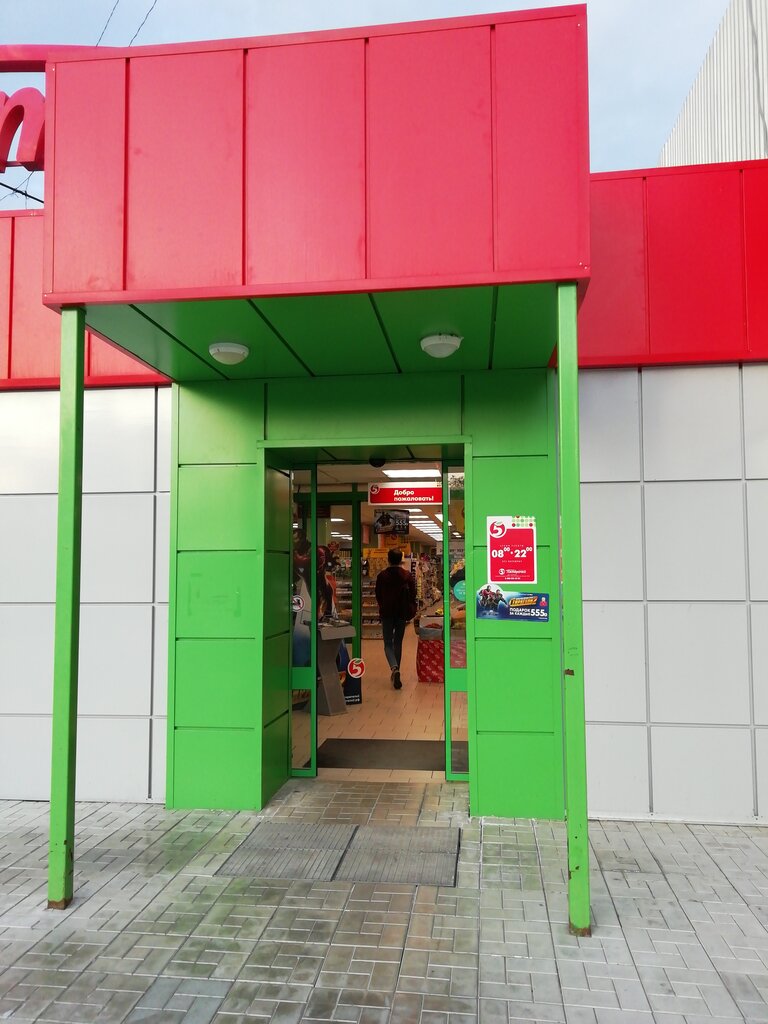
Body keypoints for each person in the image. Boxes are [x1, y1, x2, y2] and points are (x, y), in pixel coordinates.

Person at [375, 548, 417, 690]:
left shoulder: (382, 576)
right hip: (401, 612)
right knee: (398, 642)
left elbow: (378, 594)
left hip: (387, 612)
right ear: (401, 560)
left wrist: (383, 605)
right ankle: (396, 669)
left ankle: (394, 668)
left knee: (388, 643)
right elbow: (413, 594)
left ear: (388, 559)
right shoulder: (407, 575)